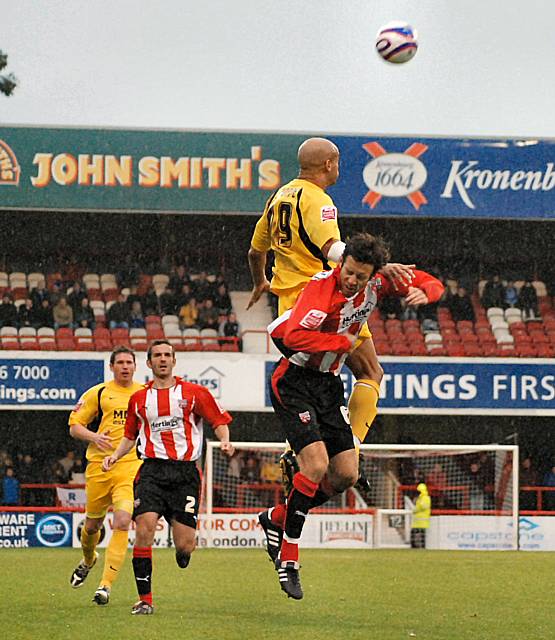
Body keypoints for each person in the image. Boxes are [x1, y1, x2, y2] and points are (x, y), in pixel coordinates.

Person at [258, 233, 442, 599]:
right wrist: (340, 342)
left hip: (327, 384)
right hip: (293, 381)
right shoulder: (321, 290)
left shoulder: (374, 284)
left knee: (345, 474)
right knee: (313, 465)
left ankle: (277, 518)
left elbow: (427, 280)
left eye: (361, 275)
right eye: (349, 272)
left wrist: (429, 294)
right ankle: (289, 560)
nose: (352, 280)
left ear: (373, 274)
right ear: (341, 264)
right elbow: (293, 336)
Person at [247, 137, 416, 459]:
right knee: (369, 372)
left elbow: (256, 250)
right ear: (329, 164)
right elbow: (332, 250)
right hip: (323, 300)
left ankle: (297, 446)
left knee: (308, 383)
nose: (338, 167)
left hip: (289, 308)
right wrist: (377, 264)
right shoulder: (319, 200)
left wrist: (260, 282)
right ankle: (351, 446)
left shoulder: (277, 197)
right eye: (336, 162)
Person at [102, 340, 234, 615]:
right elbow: (129, 435)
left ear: (174, 361)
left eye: (167, 355)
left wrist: (225, 441)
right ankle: (145, 599)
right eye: (157, 356)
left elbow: (218, 420)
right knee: (144, 528)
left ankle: (182, 552)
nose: (163, 360)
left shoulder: (195, 393)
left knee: (186, 543)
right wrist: (115, 455)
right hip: (151, 472)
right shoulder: (139, 399)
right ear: (149, 364)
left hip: (185, 474)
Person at [68, 346, 145, 606]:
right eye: (120, 362)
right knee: (92, 526)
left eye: (129, 362)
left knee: (123, 520)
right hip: (99, 467)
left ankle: (105, 586)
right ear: (111, 366)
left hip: (130, 466)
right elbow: (74, 425)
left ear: (135, 366)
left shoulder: (145, 393)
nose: (125, 366)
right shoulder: (98, 392)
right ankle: (89, 559)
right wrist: (94, 437)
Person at [410, 482, 431, 548]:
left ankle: (422, 547)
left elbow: (423, 506)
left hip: (423, 522)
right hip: (417, 522)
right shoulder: (420, 498)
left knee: (422, 536)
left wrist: (415, 510)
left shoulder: (425, 498)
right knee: (413, 534)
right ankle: (414, 547)